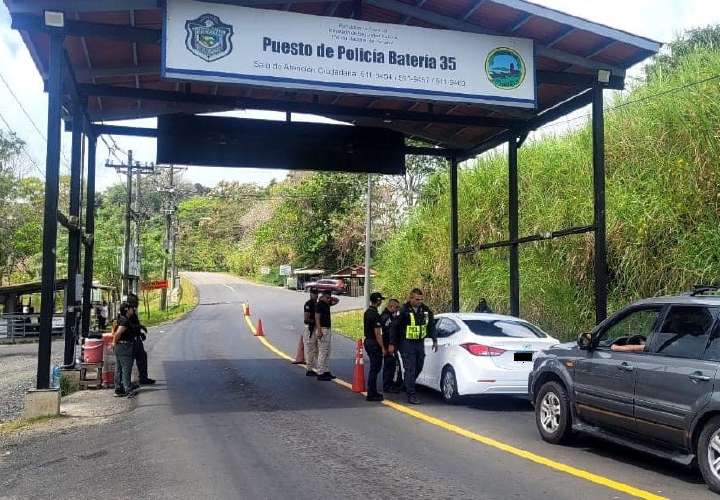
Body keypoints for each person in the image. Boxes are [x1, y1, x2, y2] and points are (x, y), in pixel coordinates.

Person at [389, 288, 436, 405]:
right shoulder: (403, 310)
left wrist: (434, 339)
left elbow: (431, 325)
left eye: (421, 299)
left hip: (419, 343)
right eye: (417, 299)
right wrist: (392, 344)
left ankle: (407, 384)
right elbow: (393, 327)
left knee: (419, 366)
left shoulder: (425, 310)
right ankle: (411, 394)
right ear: (411, 298)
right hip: (406, 343)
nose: (419, 301)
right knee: (410, 368)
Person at [112, 301, 140, 397]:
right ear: (127, 310)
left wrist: (114, 344)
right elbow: (118, 333)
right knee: (126, 368)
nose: (133, 309)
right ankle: (128, 389)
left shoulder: (121, 319)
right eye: (132, 308)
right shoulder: (124, 321)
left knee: (119, 368)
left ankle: (118, 388)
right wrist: (114, 342)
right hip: (124, 347)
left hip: (120, 346)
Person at [127, 294, 155, 385]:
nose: (137, 303)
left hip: (136, 338)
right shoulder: (128, 312)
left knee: (142, 357)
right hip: (131, 340)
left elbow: (134, 326)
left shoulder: (133, 312)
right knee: (129, 361)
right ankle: (126, 382)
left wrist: (140, 333)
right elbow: (128, 326)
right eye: (136, 301)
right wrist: (140, 327)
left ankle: (143, 378)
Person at [363, 292, 386, 402]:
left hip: (368, 341)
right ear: (377, 301)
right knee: (375, 368)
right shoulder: (374, 315)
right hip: (373, 342)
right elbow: (378, 333)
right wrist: (382, 347)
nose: (381, 301)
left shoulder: (368, 312)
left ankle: (372, 391)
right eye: (380, 300)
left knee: (374, 368)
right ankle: (371, 393)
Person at [314, 290, 339, 381]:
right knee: (323, 351)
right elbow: (317, 318)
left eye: (329, 297)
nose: (329, 299)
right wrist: (319, 330)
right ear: (323, 296)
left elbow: (337, 301)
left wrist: (329, 298)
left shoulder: (326, 304)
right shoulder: (319, 304)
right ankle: (320, 372)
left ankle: (326, 371)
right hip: (323, 329)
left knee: (328, 351)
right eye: (327, 297)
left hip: (327, 329)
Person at [380, 298, 402, 393]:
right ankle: (387, 386)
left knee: (392, 365)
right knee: (389, 365)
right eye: (396, 307)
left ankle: (390, 384)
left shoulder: (390, 316)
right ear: (391, 306)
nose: (398, 309)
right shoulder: (386, 317)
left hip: (390, 344)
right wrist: (388, 345)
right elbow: (387, 332)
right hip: (388, 344)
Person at [302, 288, 319, 376]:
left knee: (318, 350)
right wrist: (315, 321)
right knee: (311, 349)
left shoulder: (318, 304)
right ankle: (309, 369)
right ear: (310, 294)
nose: (315, 295)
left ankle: (319, 367)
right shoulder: (308, 304)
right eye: (314, 293)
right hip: (310, 328)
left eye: (316, 293)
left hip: (317, 328)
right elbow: (306, 319)